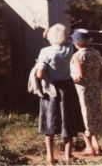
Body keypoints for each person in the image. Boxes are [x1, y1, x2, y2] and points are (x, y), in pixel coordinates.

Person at [36, 23, 84, 164]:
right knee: (68, 120)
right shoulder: (69, 47)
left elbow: (39, 74)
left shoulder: (45, 51)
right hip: (68, 88)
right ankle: (68, 155)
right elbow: (68, 39)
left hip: (52, 89)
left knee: (49, 121)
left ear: (50, 37)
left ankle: (50, 156)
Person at [70, 28, 102, 156]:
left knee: (84, 116)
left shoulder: (78, 55)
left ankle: (89, 147)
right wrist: (95, 83)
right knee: (94, 115)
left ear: (78, 42)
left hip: (82, 90)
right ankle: (97, 144)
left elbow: (79, 76)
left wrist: (68, 81)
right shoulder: (96, 53)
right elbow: (101, 72)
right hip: (94, 88)